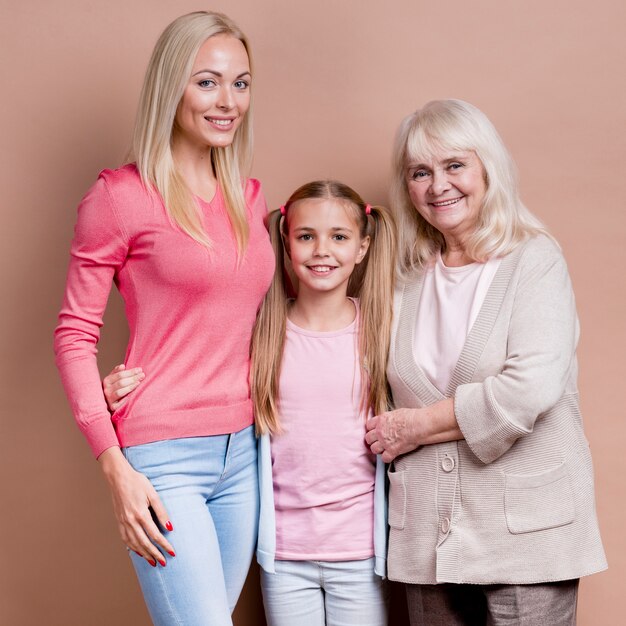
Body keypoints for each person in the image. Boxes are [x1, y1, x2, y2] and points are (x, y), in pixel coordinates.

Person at [53, 12, 274, 626]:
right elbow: (74, 335)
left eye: (241, 83)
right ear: (169, 86)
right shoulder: (119, 196)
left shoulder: (249, 198)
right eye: (207, 82)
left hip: (246, 454)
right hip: (163, 455)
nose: (228, 102)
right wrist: (113, 465)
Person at [104, 180, 397, 625]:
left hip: (361, 553)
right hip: (284, 557)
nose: (322, 250)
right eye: (306, 236)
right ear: (285, 241)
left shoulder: (382, 331)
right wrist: (118, 388)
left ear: (362, 247)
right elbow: (196, 362)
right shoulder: (262, 331)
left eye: (339, 237)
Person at [365, 99, 607, 625]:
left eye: (454, 166)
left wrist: (416, 426)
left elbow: (529, 388)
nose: (438, 186)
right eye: (420, 173)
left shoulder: (535, 259)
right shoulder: (403, 280)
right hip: (426, 540)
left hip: (527, 539)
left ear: (487, 169)